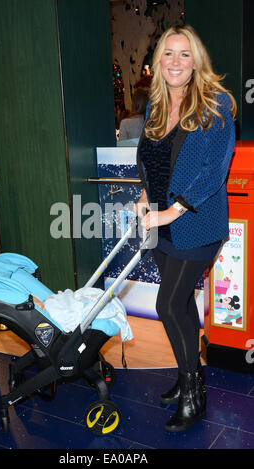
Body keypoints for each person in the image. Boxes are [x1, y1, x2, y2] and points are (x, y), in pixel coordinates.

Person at [134, 24, 236, 432]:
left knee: (168, 305)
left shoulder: (216, 104)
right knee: (182, 307)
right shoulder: (155, 105)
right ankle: (185, 374)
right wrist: (145, 195)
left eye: (184, 54)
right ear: (159, 61)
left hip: (196, 223)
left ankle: (195, 394)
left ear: (196, 62)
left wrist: (169, 212)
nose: (175, 62)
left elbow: (213, 172)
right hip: (159, 220)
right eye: (168, 54)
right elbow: (148, 157)